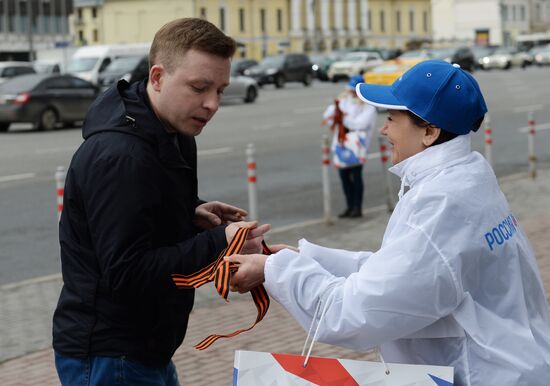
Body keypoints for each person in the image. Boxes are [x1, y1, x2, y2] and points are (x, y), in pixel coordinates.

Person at [227, 60, 550, 385]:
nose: (383, 130)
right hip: (519, 364)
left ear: (429, 132)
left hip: (488, 375)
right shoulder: (468, 177)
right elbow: (406, 273)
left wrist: (273, 270)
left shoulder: (439, 205)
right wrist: (306, 260)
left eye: (392, 118)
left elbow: (353, 314)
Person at [52, 18, 269, 386]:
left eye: (220, 89)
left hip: (142, 347)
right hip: (112, 353)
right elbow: (126, 272)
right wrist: (218, 241)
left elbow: (142, 217)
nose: (212, 103)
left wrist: (190, 213)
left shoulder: (171, 129)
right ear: (157, 77)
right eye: (199, 87)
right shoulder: (122, 155)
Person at [322, 74, 377, 218]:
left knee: (356, 176)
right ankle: (349, 206)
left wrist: (343, 117)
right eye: (350, 90)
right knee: (343, 176)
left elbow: (360, 124)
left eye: (354, 91)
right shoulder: (344, 100)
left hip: (357, 146)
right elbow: (328, 117)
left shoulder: (368, 106)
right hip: (341, 143)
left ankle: (357, 207)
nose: (351, 93)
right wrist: (338, 110)